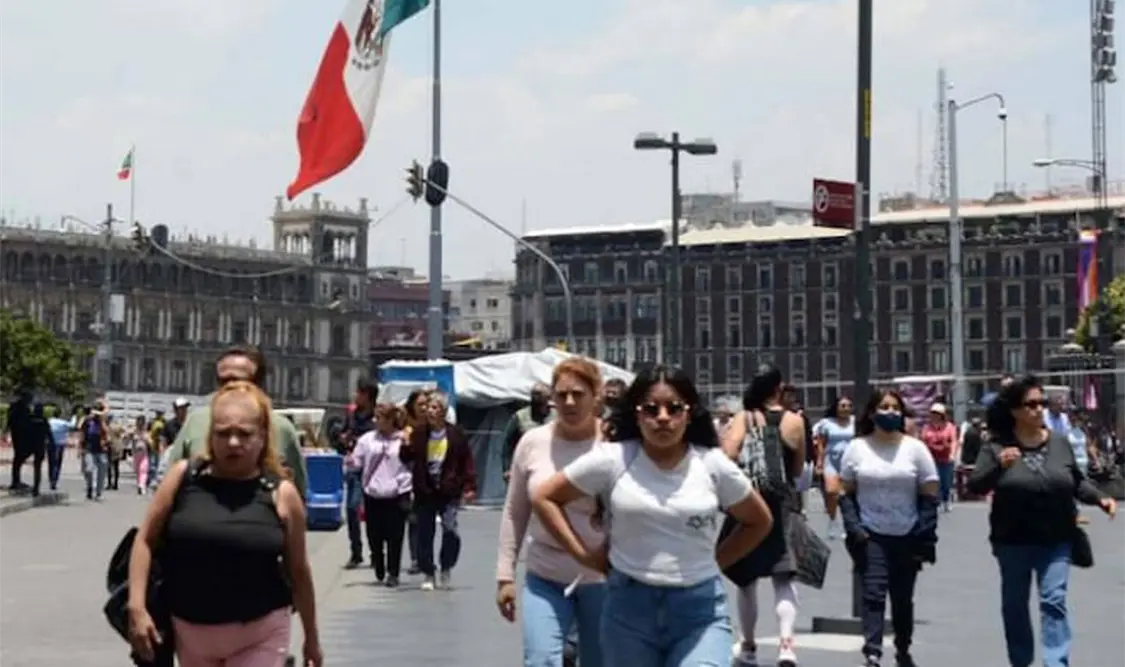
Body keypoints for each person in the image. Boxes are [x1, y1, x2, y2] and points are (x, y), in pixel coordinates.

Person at [532, 365, 773, 667]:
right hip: (628, 610)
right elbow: (545, 497)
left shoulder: (712, 464)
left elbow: (758, 520)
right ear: (636, 414)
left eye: (674, 408)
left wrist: (716, 560)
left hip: (699, 613)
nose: (662, 417)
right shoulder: (614, 459)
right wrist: (584, 555)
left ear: (689, 413)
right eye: (651, 409)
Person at [126, 380, 322, 667]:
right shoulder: (182, 478)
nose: (233, 443)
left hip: (261, 632)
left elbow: (299, 571)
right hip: (191, 633)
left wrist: (311, 638)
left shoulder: (282, 494)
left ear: (263, 436)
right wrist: (136, 606)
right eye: (223, 433)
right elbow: (144, 541)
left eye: (244, 434)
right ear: (210, 436)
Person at [967, 375, 1115, 667]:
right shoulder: (996, 446)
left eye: (1042, 403)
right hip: (1013, 540)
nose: (1038, 409)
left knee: (1053, 601)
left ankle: (1056, 662)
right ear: (1014, 410)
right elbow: (976, 485)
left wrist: (1101, 499)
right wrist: (999, 465)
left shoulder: (1059, 443)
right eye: (1031, 404)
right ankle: (1020, 660)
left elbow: (1076, 481)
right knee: (1014, 605)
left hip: (1056, 537)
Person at [496, 357, 607, 667]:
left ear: (596, 396)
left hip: (601, 578)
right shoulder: (532, 442)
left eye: (578, 394)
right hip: (545, 574)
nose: (569, 402)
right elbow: (514, 511)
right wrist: (504, 576)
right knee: (541, 659)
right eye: (562, 395)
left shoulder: (614, 443)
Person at [838, 389, 940, 667]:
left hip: (907, 533)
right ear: (872, 413)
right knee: (873, 593)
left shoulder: (915, 449)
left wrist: (924, 534)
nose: (891, 412)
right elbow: (846, 492)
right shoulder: (857, 448)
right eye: (884, 407)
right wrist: (855, 527)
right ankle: (872, 652)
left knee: (902, 598)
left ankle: (903, 647)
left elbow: (930, 492)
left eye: (896, 407)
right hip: (871, 533)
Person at [720, 366, 807, 667]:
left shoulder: (744, 418)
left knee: (746, 580)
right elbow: (798, 469)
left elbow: (729, 455)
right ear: (778, 389)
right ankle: (786, 646)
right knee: (784, 578)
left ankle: (748, 646)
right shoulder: (795, 421)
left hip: (750, 505)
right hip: (783, 505)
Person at [165, 345, 307, 497]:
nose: (229, 387)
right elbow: (170, 481)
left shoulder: (282, 428)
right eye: (222, 381)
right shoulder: (196, 421)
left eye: (237, 381)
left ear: (258, 384)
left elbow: (298, 489)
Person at [402, 392, 477, 591]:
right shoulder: (419, 433)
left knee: (450, 529)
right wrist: (406, 444)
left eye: (435, 407)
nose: (430, 411)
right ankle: (428, 572)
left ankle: (446, 565)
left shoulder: (456, 435)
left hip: (448, 490)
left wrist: (469, 486)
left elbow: (467, 462)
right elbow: (406, 458)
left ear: (443, 412)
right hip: (425, 490)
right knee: (425, 533)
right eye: (428, 407)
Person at [348, 402, 412, 587]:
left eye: (380, 418)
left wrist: (408, 443)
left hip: (397, 493)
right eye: (375, 417)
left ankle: (393, 573)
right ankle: (378, 561)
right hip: (373, 493)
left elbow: (411, 461)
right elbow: (357, 462)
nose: (376, 421)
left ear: (391, 420)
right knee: (374, 534)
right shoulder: (367, 440)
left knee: (395, 535)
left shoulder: (402, 439)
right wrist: (350, 459)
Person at [340, 380, 378, 569]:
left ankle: (376, 552)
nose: (355, 396)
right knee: (351, 509)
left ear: (368, 396)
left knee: (373, 513)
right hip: (354, 468)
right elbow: (343, 436)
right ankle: (356, 552)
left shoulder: (377, 418)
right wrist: (344, 438)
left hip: (373, 469)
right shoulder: (352, 415)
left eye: (359, 393)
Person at [814, 395, 855, 539]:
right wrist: (819, 463)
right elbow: (821, 444)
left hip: (850, 461)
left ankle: (846, 522)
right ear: (836, 408)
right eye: (843, 406)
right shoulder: (826, 423)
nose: (846, 409)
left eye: (849, 406)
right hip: (831, 460)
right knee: (831, 492)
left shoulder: (854, 422)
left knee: (846, 494)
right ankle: (832, 520)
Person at [402, 389, 430, 576]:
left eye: (426, 404)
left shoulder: (433, 426)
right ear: (412, 406)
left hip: (430, 478)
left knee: (426, 520)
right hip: (410, 477)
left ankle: (425, 557)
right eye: (420, 404)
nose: (424, 408)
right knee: (413, 519)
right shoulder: (407, 428)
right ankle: (415, 559)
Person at [502, 383, 554, 481]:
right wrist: (507, 468)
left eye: (541, 398)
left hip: (551, 468)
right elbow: (507, 445)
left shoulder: (557, 417)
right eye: (534, 396)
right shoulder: (520, 417)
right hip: (526, 468)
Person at [919, 403, 958, 512]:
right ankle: (938, 501)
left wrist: (952, 454)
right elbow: (922, 441)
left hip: (946, 458)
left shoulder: (950, 427)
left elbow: (954, 441)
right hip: (932, 458)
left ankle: (946, 500)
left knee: (946, 482)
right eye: (933, 413)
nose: (934, 415)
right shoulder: (927, 427)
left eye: (937, 413)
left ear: (942, 415)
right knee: (935, 481)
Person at [80, 401, 111, 500]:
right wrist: (80, 447)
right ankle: (90, 486)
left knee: (102, 472)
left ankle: (98, 492)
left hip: (101, 450)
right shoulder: (87, 421)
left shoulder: (104, 421)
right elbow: (82, 434)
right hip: (89, 449)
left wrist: (102, 420)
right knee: (89, 469)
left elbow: (107, 434)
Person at [46, 406, 73, 492]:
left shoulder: (49, 421)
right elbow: (73, 426)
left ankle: (51, 479)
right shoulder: (63, 423)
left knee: (51, 462)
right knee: (57, 463)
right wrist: (74, 416)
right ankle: (54, 480)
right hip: (60, 444)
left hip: (50, 444)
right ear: (60, 414)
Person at [129, 416, 153, 494]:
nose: (140, 424)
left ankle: (142, 486)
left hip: (144, 454)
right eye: (138, 422)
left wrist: (147, 439)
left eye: (142, 423)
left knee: (143, 470)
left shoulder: (146, 433)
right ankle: (139, 484)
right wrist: (129, 435)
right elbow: (126, 439)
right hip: (136, 454)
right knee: (137, 470)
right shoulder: (133, 432)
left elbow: (151, 443)